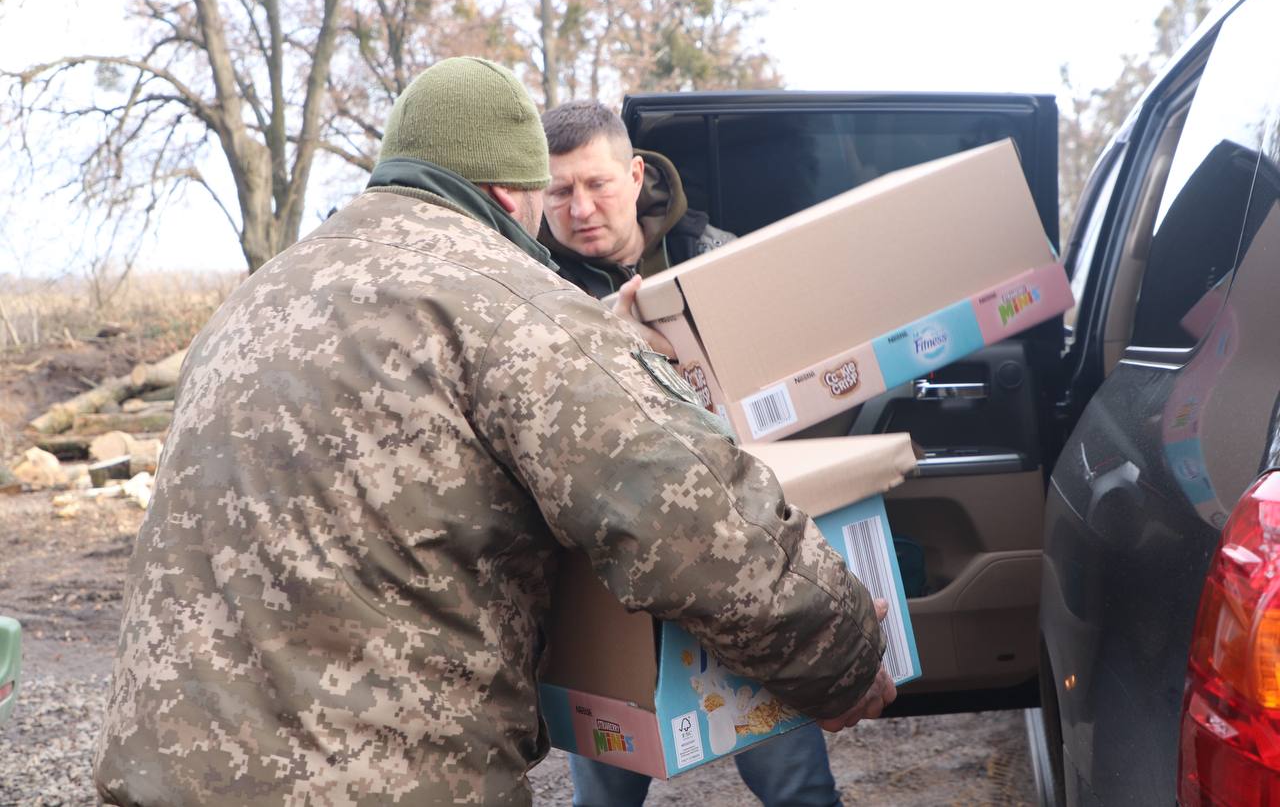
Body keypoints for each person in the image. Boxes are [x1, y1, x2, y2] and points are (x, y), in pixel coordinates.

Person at [93, 57, 894, 806]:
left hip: (165, 769)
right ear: (514, 193)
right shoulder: (508, 303)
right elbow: (690, 517)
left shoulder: (252, 302)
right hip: (376, 781)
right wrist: (844, 656)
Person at [540, 100, 848, 807]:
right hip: (606, 580)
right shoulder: (533, 291)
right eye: (559, 191)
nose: (580, 207)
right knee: (604, 797)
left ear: (636, 172)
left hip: (735, 564)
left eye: (597, 183)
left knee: (796, 785)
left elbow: (798, 389)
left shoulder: (715, 257)